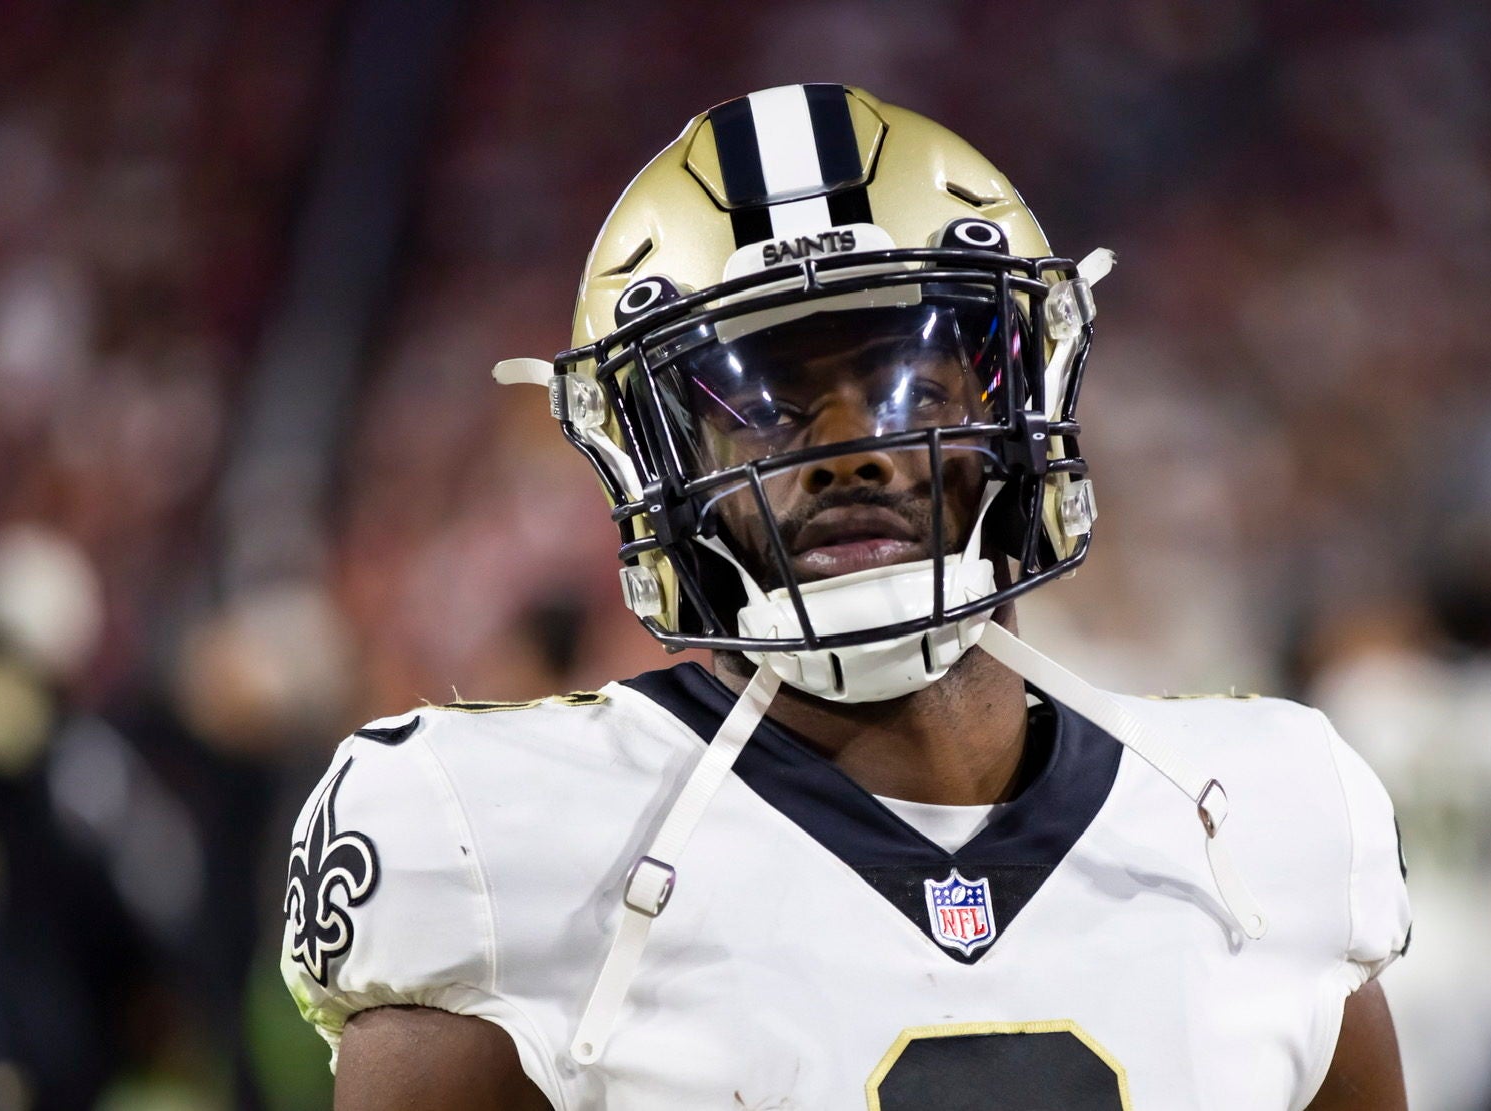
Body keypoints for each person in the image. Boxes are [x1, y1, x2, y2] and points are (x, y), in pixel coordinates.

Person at [280, 84, 1411, 1109]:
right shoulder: (490, 844)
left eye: (909, 382)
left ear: (1024, 395)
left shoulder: (1270, 815)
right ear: (653, 463)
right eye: (763, 406)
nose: (849, 450)